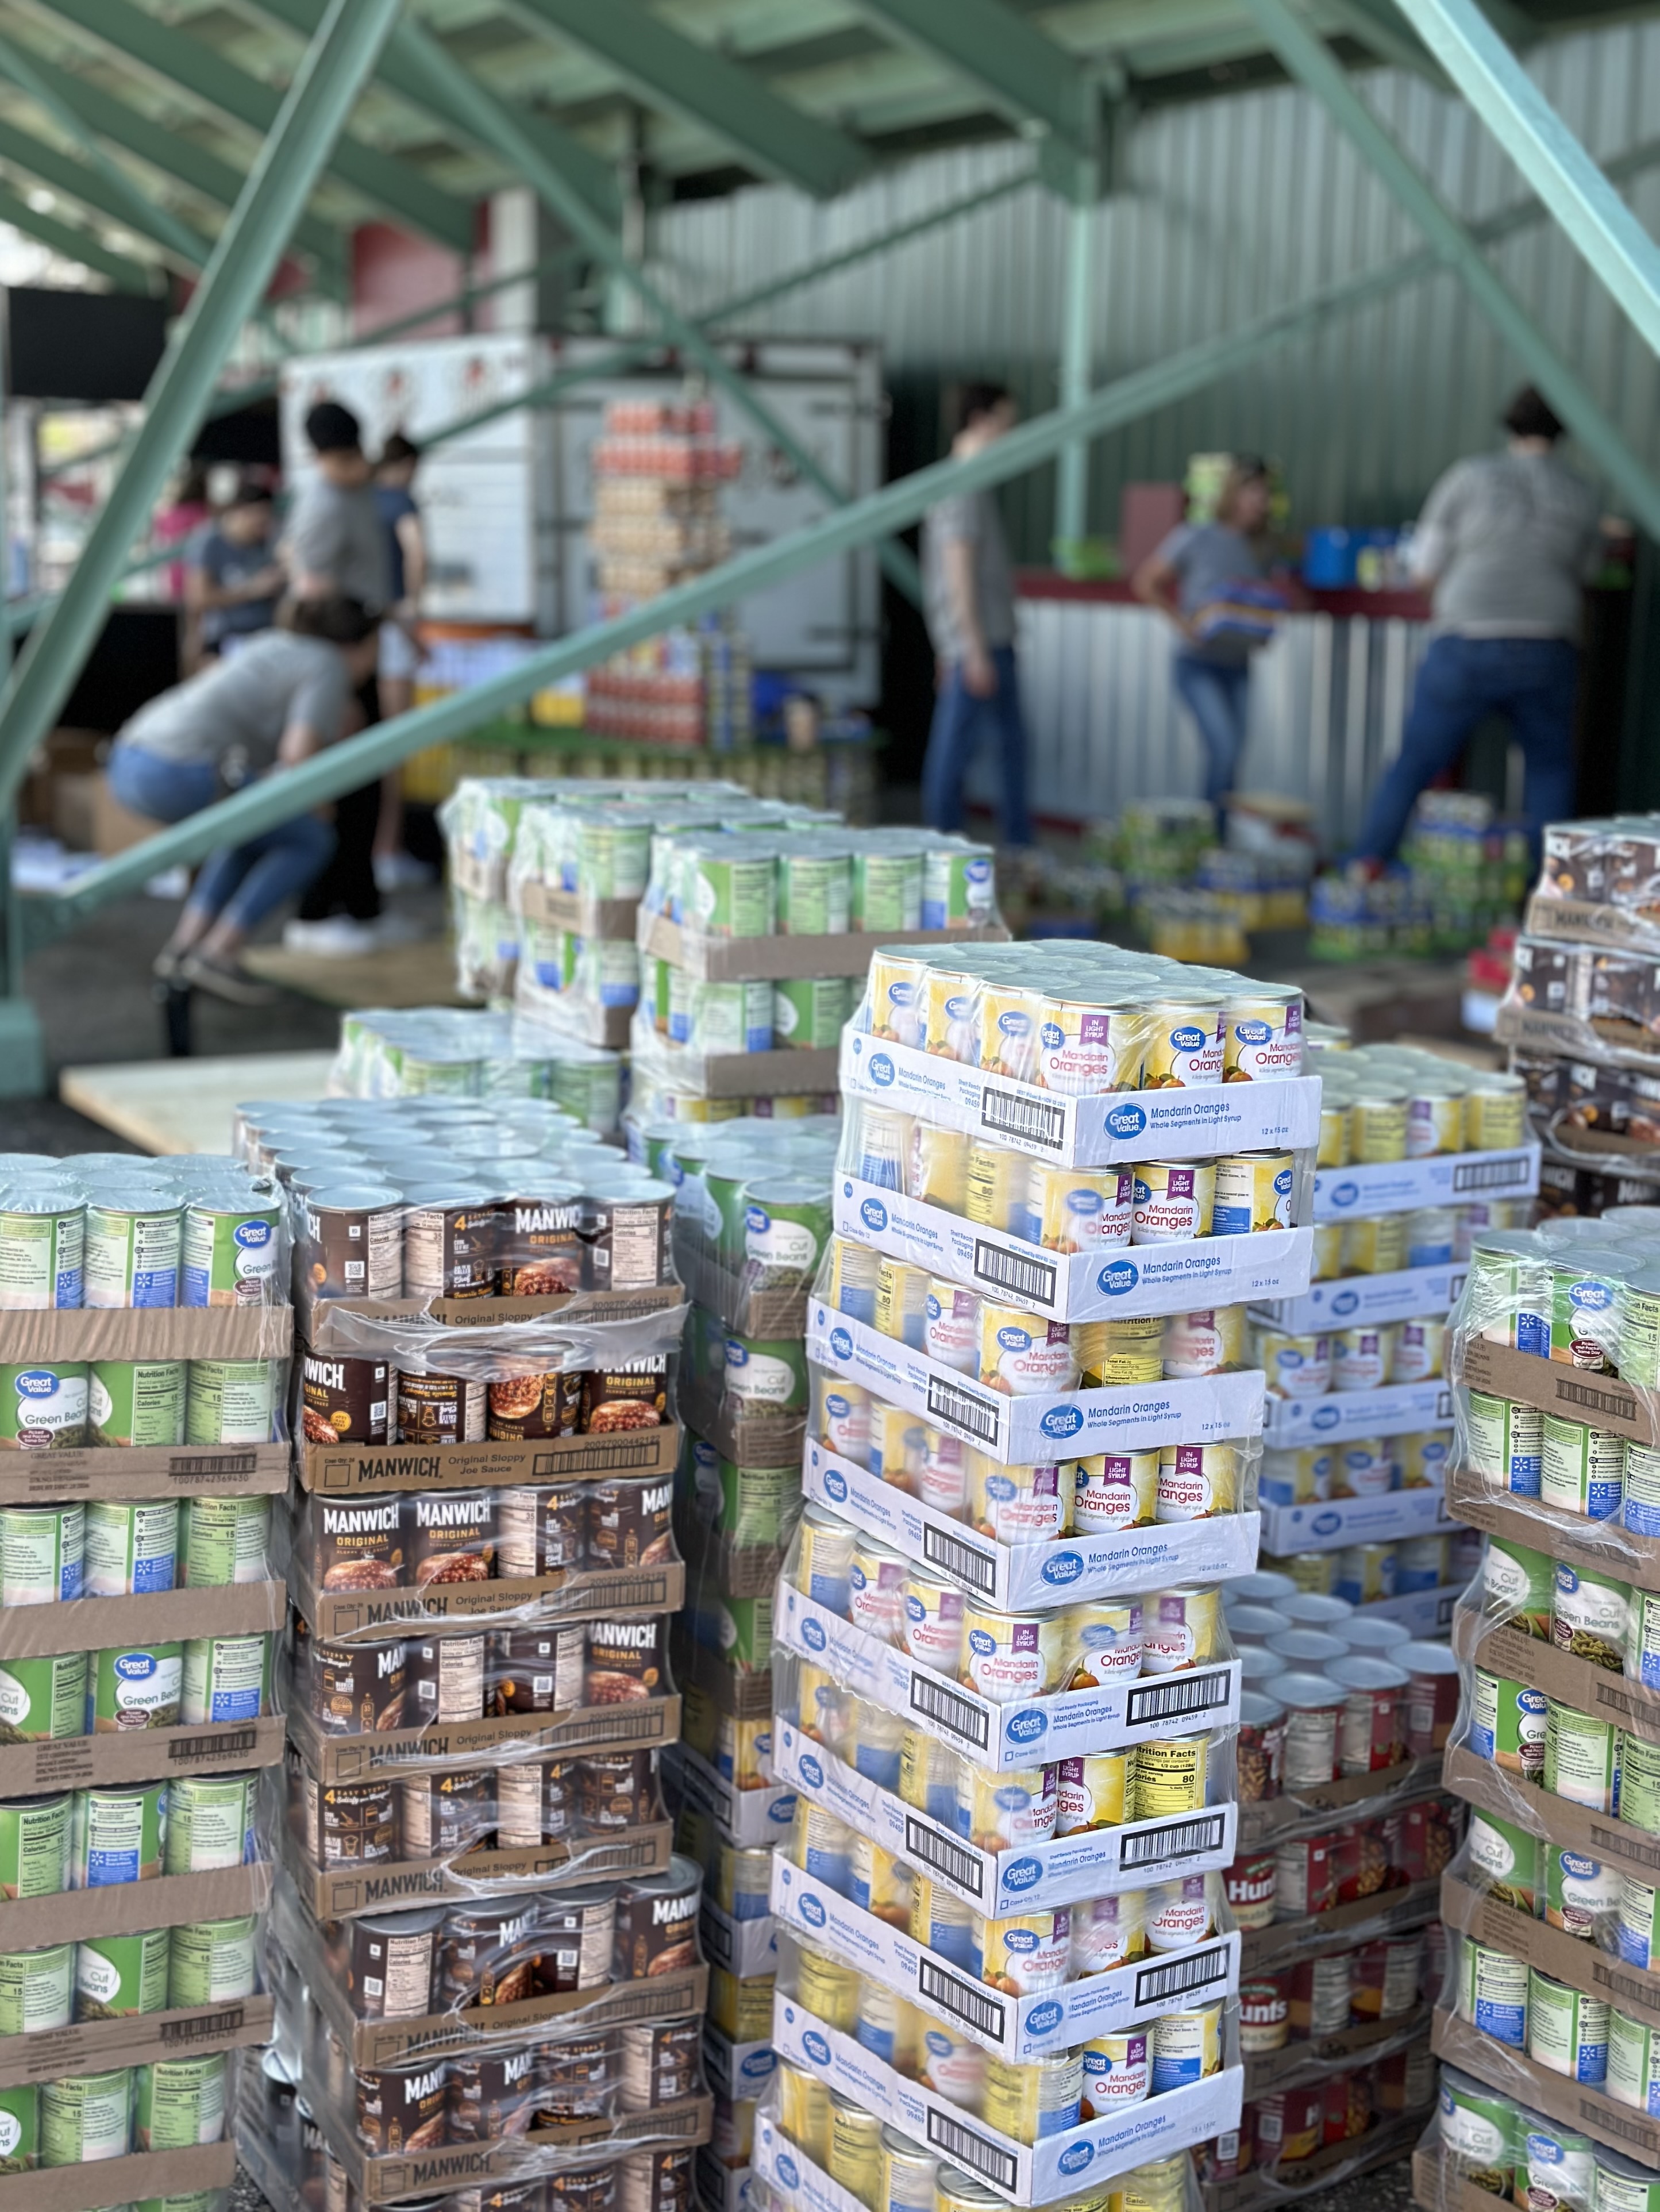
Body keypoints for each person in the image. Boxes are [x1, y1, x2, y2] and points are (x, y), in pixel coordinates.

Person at [1354, 386, 1605, 865]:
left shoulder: (1469, 476)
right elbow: (1589, 572)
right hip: (1549, 640)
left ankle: (1365, 868)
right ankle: (1547, 892)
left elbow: (1423, 568)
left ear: (1508, 425)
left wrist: (1452, 608)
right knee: (1549, 771)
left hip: (1467, 638)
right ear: (1562, 430)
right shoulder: (1581, 492)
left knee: (1415, 763)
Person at [107, 597, 380, 1004]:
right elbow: (298, 755)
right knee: (311, 838)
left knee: (253, 831)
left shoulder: (276, 643)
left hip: (130, 757)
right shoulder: (327, 663)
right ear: (356, 644)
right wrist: (320, 805)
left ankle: (185, 948)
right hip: (177, 769)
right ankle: (218, 953)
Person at [280, 399, 392, 954]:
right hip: (338, 660)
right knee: (340, 788)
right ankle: (321, 909)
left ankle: (360, 903)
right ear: (319, 458)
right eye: (343, 460)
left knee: (367, 784)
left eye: (357, 456)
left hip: (359, 653)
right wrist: (336, 678)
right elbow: (311, 595)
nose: (356, 468)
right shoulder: (322, 506)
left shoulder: (356, 492)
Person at [1133, 457, 1281, 817]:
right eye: (1253, 492)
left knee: (1233, 757)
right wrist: (1183, 625)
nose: (1260, 501)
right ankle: (1211, 835)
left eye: (1265, 493)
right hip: (1197, 664)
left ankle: (1218, 833)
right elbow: (1147, 582)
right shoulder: (1196, 536)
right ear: (1233, 494)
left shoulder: (1262, 547)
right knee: (1224, 749)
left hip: (1239, 664)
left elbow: (1256, 599)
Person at [920, 383, 1033, 849]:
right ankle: (950, 848)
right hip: (983, 642)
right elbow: (957, 573)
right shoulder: (962, 486)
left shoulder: (963, 483)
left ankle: (1009, 846)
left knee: (1000, 746)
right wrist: (971, 649)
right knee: (968, 750)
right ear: (982, 421)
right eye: (1006, 422)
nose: (1011, 434)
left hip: (977, 640)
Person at [371, 432, 431, 891]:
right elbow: (417, 551)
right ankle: (386, 850)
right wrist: (412, 607)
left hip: (353, 633)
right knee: (393, 746)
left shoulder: (358, 499)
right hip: (391, 629)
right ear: (409, 465)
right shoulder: (399, 501)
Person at [184, 480, 284, 665]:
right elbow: (199, 598)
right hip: (226, 638)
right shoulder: (209, 542)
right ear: (241, 513)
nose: (264, 527)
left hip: (268, 634)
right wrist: (253, 590)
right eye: (259, 520)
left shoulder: (268, 542)